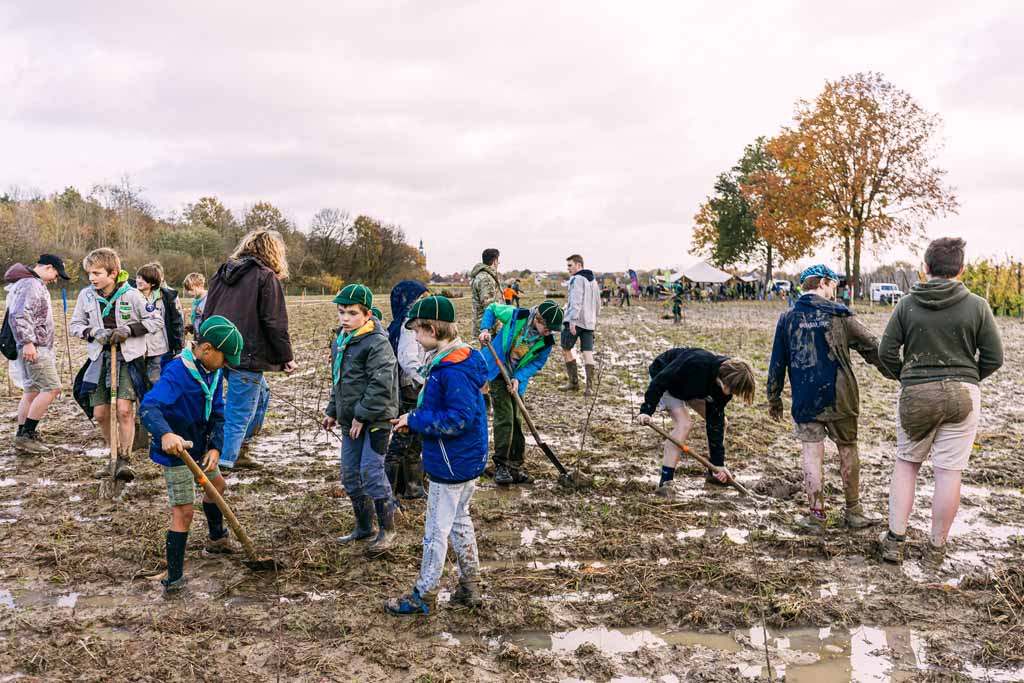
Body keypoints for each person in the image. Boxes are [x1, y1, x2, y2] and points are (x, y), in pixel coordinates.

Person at [877, 238, 1004, 564]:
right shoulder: (978, 305)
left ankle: (895, 542)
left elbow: (885, 352)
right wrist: (969, 376)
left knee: (907, 464)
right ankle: (935, 549)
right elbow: (994, 357)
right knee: (949, 473)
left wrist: (905, 376)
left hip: (917, 393)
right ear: (961, 269)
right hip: (963, 395)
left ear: (925, 267)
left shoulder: (905, 304)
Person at [766, 265, 893, 532]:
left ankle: (816, 515)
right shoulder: (841, 316)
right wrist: (897, 372)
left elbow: (777, 362)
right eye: (833, 285)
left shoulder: (788, 318)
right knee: (848, 448)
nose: (835, 292)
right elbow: (872, 346)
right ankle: (854, 511)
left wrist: (774, 398)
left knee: (811, 453)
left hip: (805, 397)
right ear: (823, 282)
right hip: (841, 396)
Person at [385, 296, 489, 615]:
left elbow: (458, 418)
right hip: (466, 460)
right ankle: (471, 586)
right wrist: (411, 418)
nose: (415, 337)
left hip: (450, 463)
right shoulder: (462, 358)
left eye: (417, 331)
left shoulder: (452, 369)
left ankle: (424, 594)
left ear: (432, 329)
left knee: (434, 532)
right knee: (459, 520)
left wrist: (415, 420)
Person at [139, 316, 244, 596]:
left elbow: (218, 412)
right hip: (178, 452)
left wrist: (216, 447)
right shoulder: (178, 372)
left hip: (202, 447)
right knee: (183, 512)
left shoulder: (213, 371)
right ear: (207, 349)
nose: (227, 364)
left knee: (218, 487)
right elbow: (149, 407)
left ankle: (216, 539)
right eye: (225, 357)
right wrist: (165, 435)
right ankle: (174, 578)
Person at [202, 229, 297, 470]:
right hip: (247, 354)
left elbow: (207, 312)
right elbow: (274, 321)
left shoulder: (222, 273)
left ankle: (241, 448)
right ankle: (226, 460)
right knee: (239, 410)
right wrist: (287, 357)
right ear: (274, 252)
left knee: (261, 396)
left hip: (219, 352)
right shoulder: (265, 277)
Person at [70, 248, 161, 481]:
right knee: (101, 413)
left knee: (124, 409)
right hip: (99, 358)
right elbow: (75, 325)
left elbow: (155, 320)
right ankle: (112, 453)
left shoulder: (133, 295)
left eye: (97, 273)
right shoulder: (86, 296)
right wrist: (92, 332)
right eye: (89, 273)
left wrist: (128, 330)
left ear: (113, 273)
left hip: (127, 358)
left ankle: (124, 458)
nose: (92, 278)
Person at [323, 284, 400, 557]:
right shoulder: (341, 341)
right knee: (350, 475)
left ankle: (387, 530)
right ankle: (364, 527)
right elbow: (339, 381)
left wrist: (360, 415)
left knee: (371, 471)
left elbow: (380, 384)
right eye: (341, 312)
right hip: (350, 419)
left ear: (367, 314)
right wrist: (333, 410)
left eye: (352, 313)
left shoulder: (377, 342)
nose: (345, 318)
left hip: (377, 417)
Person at [636, 348, 755, 493]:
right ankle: (665, 482)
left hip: (692, 389)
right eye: (733, 390)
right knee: (684, 423)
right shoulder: (696, 362)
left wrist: (718, 464)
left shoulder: (723, 390)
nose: (732, 394)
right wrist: (647, 410)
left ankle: (712, 473)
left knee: (721, 422)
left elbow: (714, 423)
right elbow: (661, 380)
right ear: (725, 380)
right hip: (666, 381)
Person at [479, 300, 563, 485]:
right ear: (538, 320)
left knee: (517, 420)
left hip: (516, 380)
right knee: (505, 418)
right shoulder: (517, 315)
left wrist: (519, 377)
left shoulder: (546, 341)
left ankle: (515, 466)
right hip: (497, 371)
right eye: (547, 329)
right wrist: (485, 329)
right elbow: (492, 308)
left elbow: (536, 363)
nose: (549, 333)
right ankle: (500, 464)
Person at [4, 254, 70, 454]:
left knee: (31, 391)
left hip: (30, 345)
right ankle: (27, 435)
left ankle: (22, 434)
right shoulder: (31, 284)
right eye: (56, 275)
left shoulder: (25, 282)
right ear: (49, 267)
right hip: (34, 346)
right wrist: (28, 342)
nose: (55, 280)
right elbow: (20, 313)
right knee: (52, 388)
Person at [385, 280, 430, 499]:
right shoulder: (406, 327)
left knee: (416, 441)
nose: (424, 302)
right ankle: (389, 492)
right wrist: (425, 379)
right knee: (402, 441)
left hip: (416, 388)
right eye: (420, 299)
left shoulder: (416, 324)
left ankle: (412, 487)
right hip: (410, 389)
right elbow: (407, 359)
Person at [135, 262, 184, 385]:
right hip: (137, 347)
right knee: (138, 383)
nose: (139, 281)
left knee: (155, 380)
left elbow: (177, 322)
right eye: (138, 277)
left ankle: (155, 403)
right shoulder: (131, 296)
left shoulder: (167, 297)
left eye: (144, 279)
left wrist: (178, 346)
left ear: (153, 282)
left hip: (158, 347)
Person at [559, 254, 601, 396]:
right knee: (587, 352)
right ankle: (589, 388)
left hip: (576, 321)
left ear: (578, 265)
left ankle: (573, 383)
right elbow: (598, 304)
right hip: (589, 323)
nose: (568, 268)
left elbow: (576, 301)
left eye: (570, 265)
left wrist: (572, 321)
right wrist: (594, 320)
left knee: (565, 348)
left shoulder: (576, 279)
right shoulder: (593, 281)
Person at [470, 248, 502, 334]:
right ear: (495, 261)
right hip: (489, 329)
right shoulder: (486, 279)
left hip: (486, 327)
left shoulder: (483, 276)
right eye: (498, 260)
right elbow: (489, 306)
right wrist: (497, 328)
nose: (499, 263)